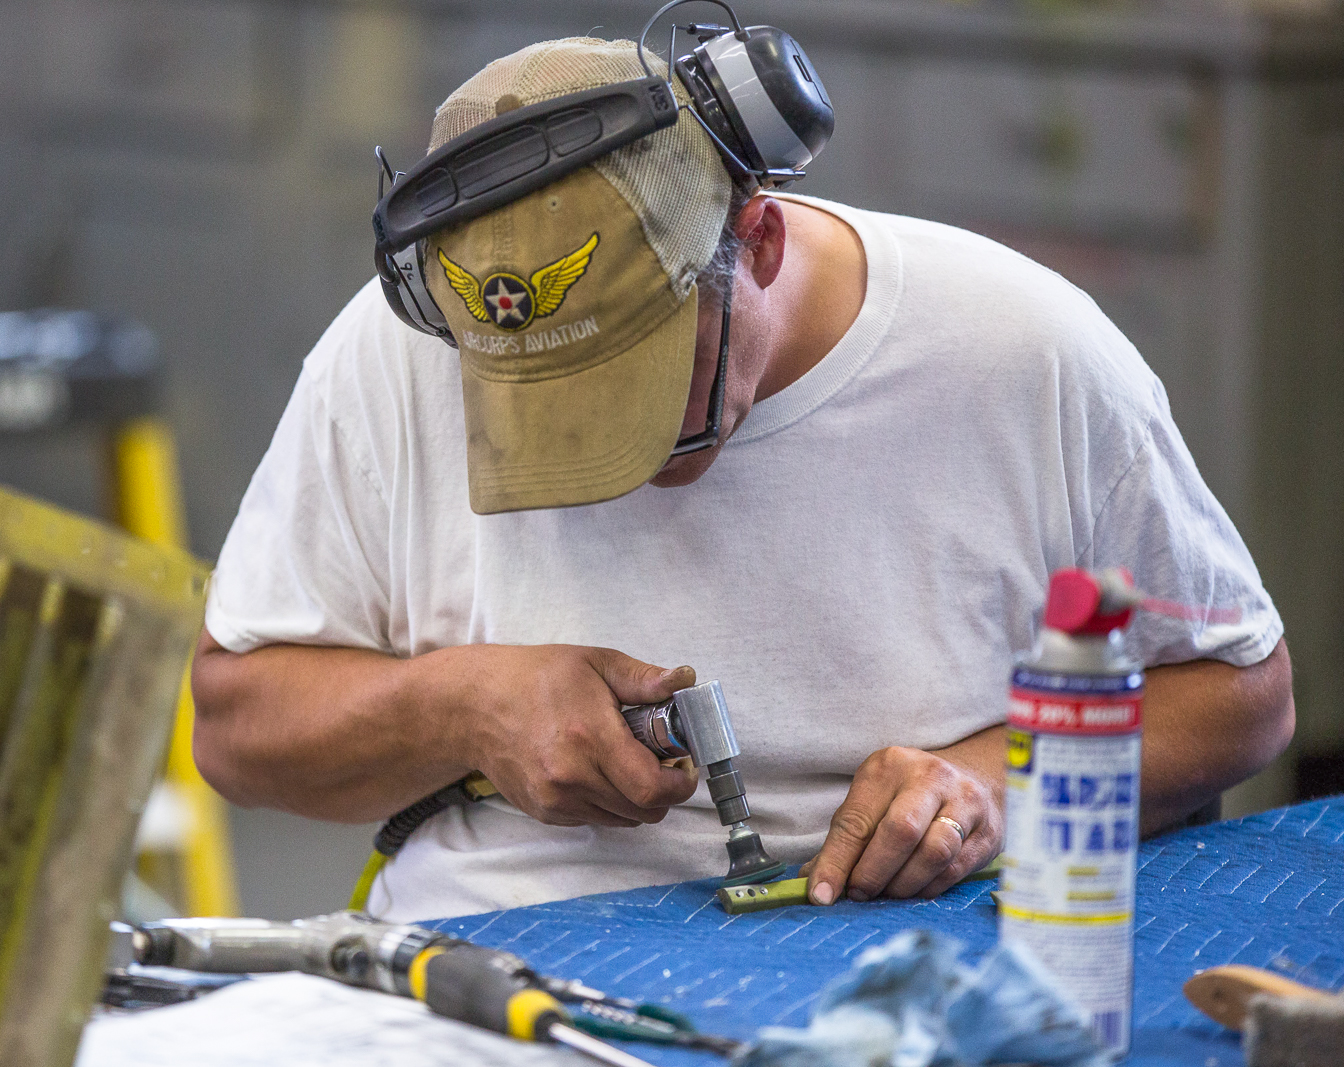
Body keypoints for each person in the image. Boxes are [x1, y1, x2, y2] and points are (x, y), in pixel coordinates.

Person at [191, 36, 1294, 921]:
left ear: (757, 243)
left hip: (921, 941)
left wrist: (999, 780)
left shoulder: (1022, 352)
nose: (611, 474)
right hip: (483, 956)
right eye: (539, 420)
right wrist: (456, 705)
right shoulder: (395, 353)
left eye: (647, 416)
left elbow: (1244, 694)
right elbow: (236, 728)